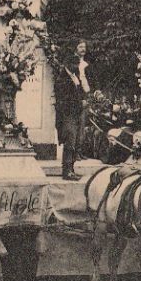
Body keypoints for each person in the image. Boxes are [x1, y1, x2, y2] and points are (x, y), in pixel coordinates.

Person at [54, 41, 90, 181]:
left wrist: (83, 101)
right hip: (68, 115)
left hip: (77, 113)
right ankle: (67, 170)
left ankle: (72, 168)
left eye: (76, 65)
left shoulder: (75, 78)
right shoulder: (62, 80)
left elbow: (80, 93)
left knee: (77, 142)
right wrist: (78, 103)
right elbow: (63, 100)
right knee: (70, 141)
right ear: (68, 65)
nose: (75, 67)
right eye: (73, 65)